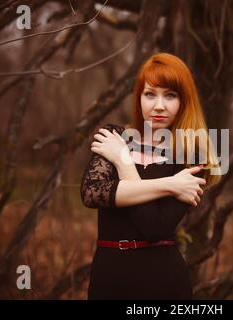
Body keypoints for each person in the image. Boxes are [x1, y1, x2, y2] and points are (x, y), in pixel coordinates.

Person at [80, 52, 221, 299]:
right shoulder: (114, 136)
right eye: (150, 94)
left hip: (162, 281)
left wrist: (123, 161)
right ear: (139, 98)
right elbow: (91, 193)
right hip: (108, 276)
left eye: (170, 95)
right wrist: (170, 184)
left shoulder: (193, 157)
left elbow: (153, 227)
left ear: (184, 101)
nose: (159, 105)